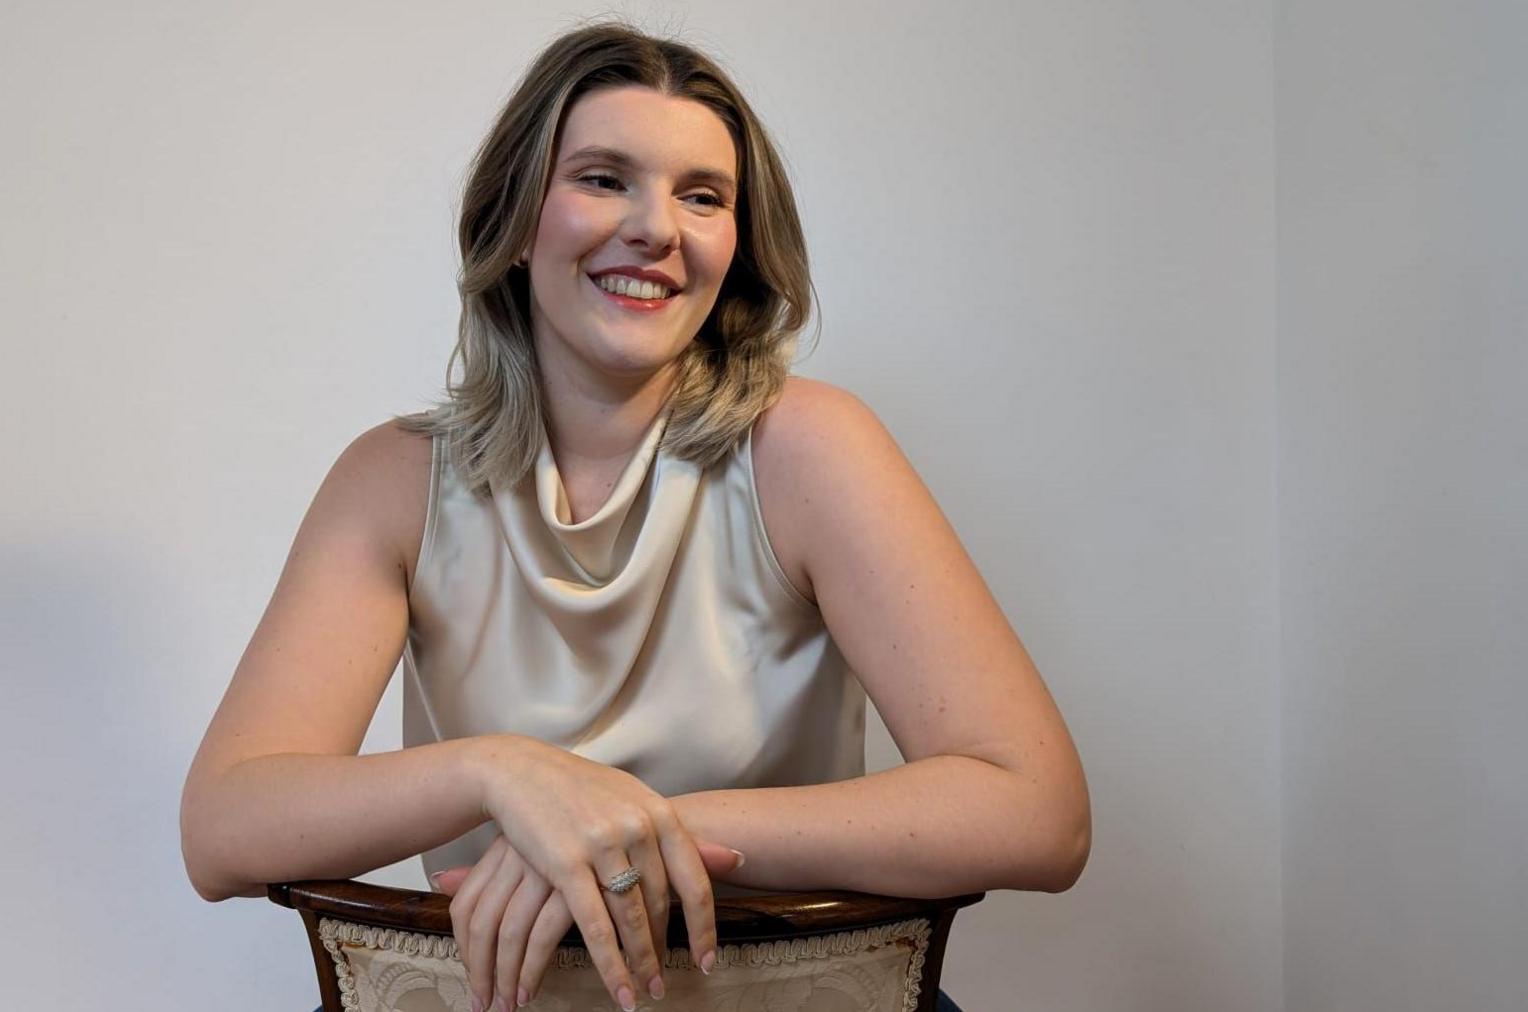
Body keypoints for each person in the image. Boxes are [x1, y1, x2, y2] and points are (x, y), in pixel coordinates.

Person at [179, 20, 1090, 1012]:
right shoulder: (392, 478)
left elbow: (1037, 810)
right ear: (518, 222)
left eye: (703, 195)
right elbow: (224, 828)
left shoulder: (810, 447)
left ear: (735, 245)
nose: (657, 226)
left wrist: (635, 827)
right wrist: (501, 775)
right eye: (605, 178)